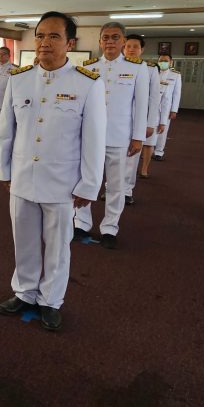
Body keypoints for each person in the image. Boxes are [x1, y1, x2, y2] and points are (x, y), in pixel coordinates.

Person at [0, 12, 105, 331]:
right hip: (23, 177)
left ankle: (51, 300)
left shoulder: (87, 83)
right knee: (24, 241)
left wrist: (88, 185)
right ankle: (25, 292)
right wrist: (4, 170)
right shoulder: (19, 79)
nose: (45, 42)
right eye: (40, 35)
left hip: (62, 183)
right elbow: (5, 132)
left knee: (57, 247)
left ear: (70, 43)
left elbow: (93, 140)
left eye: (54, 36)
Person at [73, 22, 149, 249]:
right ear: (99, 41)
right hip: (89, 136)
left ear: (123, 41)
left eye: (115, 37)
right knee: (85, 180)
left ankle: (110, 228)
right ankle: (81, 223)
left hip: (119, 135)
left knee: (115, 185)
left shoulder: (137, 68)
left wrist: (138, 137)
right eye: (105, 37)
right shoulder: (89, 66)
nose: (110, 41)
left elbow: (141, 104)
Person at [121, 34, 160, 205]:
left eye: (135, 46)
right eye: (128, 46)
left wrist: (151, 123)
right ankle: (110, 187)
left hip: (139, 119)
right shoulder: (116, 66)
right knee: (113, 157)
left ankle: (126, 190)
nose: (131, 49)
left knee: (131, 156)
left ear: (142, 50)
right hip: (118, 119)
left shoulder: (149, 69)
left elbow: (154, 98)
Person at [153, 54, 182, 161]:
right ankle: (148, 149)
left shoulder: (175, 75)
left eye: (165, 61)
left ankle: (159, 152)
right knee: (151, 128)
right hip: (153, 105)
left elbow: (177, 94)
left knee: (163, 130)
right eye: (161, 60)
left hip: (166, 107)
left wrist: (174, 110)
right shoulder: (154, 72)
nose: (163, 63)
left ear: (171, 62)